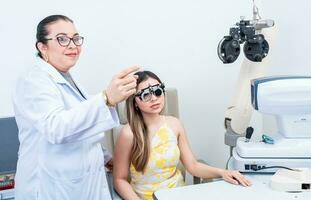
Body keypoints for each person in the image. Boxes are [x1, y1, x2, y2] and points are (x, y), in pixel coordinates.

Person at [12, 14, 139, 200]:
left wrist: (106, 158)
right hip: (50, 188)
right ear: (42, 47)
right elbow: (56, 128)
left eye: (76, 38)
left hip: (80, 184)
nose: (73, 45)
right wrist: (106, 99)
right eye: (62, 39)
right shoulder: (33, 80)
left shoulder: (67, 78)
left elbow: (82, 128)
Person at [113, 71, 252, 200]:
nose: (154, 98)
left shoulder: (174, 124)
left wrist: (223, 173)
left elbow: (192, 165)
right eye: (145, 95)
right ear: (135, 102)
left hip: (178, 194)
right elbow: (119, 179)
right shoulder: (128, 134)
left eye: (157, 91)